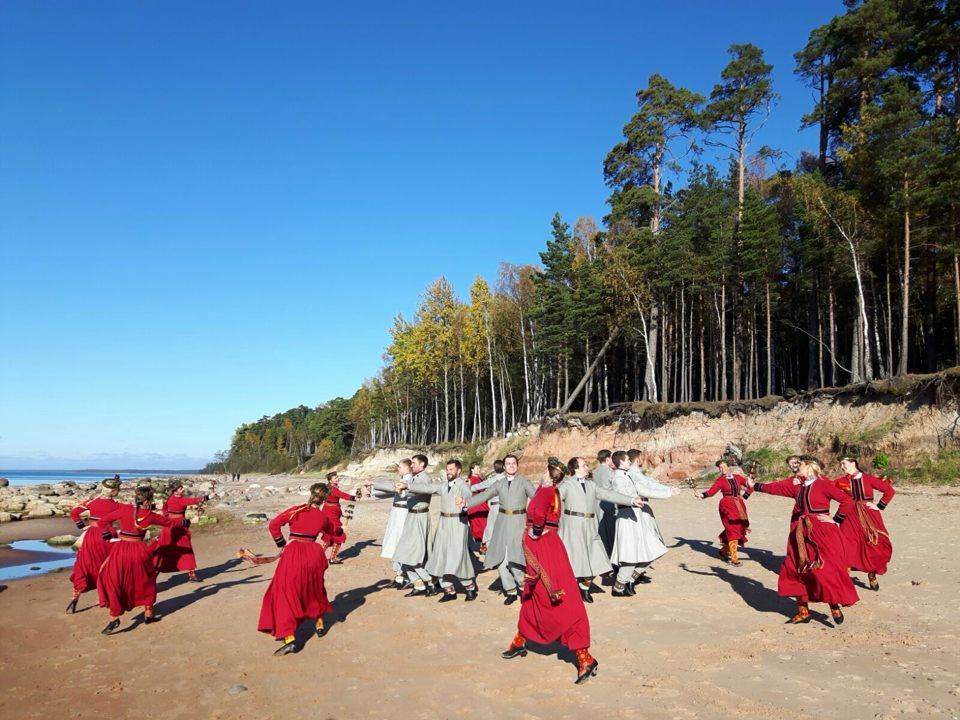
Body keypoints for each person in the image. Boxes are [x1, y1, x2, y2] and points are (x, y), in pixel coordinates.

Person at [502, 458, 598, 685]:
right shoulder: (546, 490)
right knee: (532, 595)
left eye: (545, 470)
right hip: (543, 548)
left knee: (557, 598)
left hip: (544, 550)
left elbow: (539, 518)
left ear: (550, 474)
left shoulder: (547, 491)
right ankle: (520, 640)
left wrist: (535, 532)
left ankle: (584, 656)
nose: (542, 472)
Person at [747, 456, 859, 625]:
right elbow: (774, 488)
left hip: (822, 533)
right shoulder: (797, 487)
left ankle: (834, 605)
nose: (797, 466)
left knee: (823, 569)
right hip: (800, 533)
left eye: (800, 464)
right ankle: (803, 611)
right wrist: (754, 486)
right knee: (794, 569)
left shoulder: (822, 484)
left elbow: (847, 500)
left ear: (810, 467)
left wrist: (836, 519)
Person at [95, 485, 188, 635]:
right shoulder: (150, 515)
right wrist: (183, 522)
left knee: (117, 581)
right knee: (145, 581)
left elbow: (101, 522)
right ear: (149, 499)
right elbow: (170, 523)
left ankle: (114, 618)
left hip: (121, 550)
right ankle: (148, 615)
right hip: (139, 551)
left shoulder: (124, 510)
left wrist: (109, 534)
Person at [258, 483, 337, 655]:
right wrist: (324, 544)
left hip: (294, 554)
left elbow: (273, 525)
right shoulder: (323, 517)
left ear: (310, 493)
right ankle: (319, 623)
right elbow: (331, 533)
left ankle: (289, 639)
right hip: (314, 555)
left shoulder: (297, 510)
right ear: (324, 498)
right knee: (313, 589)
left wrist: (282, 544)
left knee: (284, 593)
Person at [558, 457, 642, 602]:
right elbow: (553, 501)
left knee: (597, 559)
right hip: (572, 526)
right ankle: (572, 590)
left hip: (590, 525)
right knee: (573, 560)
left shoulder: (592, 485)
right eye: (584, 466)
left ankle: (584, 586)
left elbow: (609, 495)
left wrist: (631, 500)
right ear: (575, 469)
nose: (587, 468)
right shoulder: (566, 485)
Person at [401, 459, 478, 601]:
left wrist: (464, 502)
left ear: (459, 471)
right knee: (440, 556)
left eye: (451, 470)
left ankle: (470, 587)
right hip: (443, 523)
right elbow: (426, 488)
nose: (448, 472)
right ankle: (449, 591)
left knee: (458, 557)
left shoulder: (463, 485)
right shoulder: (443, 485)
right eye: (447, 470)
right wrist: (407, 485)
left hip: (458, 523)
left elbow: (469, 497)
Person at [466, 454, 536, 605]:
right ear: (503, 467)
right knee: (501, 560)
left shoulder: (524, 482)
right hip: (501, 522)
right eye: (508, 464)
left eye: (513, 463)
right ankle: (510, 590)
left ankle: (524, 588)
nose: (511, 466)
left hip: (519, 523)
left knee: (516, 560)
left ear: (517, 466)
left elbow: (536, 499)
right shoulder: (499, 483)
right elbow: (484, 495)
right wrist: (466, 502)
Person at [609, 451, 674, 596]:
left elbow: (644, 488)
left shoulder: (628, 475)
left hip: (636, 517)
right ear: (620, 462)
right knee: (630, 554)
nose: (629, 462)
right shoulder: (617, 479)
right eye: (627, 460)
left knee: (653, 549)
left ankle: (630, 580)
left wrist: (668, 492)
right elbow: (621, 495)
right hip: (627, 518)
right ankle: (619, 587)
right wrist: (633, 500)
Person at [832, 456, 895, 591]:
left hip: (870, 516)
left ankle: (872, 574)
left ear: (853, 463)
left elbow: (889, 491)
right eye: (841, 464)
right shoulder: (841, 481)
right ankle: (845, 581)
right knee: (846, 546)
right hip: (849, 517)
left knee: (874, 545)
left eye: (844, 464)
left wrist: (880, 506)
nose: (842, 467)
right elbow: (824, 487)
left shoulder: (868, 478)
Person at [382, 454, 436, 596]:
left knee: (411, 555)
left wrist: (405, 488)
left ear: (422, 465)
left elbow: (418, 490)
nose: (411, 465)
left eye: (414, 463)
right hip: (412, 516)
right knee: (403, 554)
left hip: (419, 517)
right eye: (410, 463)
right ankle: (420, 585)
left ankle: (430, 581)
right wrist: (374, 486)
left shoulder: (424, 478)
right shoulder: (415, 478)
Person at [66, 477, 123, 613]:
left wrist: (82, 526)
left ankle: (75, 599)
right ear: (113, 490)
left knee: (84, 566)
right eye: (118, 489)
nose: (119, 491)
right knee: (106, 567)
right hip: (107, 536)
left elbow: (74, 513)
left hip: (91, 536)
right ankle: (104, 597)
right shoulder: (116, 505)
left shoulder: (91, 502)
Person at [625, 449, 674, 581]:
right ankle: (633, 576)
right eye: (641, 457)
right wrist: (668, 492)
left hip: (643, 508)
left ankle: (635, 574)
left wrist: (668, 490)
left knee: (650, 543)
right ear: (637, 459)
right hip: (639, 509)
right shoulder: (633, 473)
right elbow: (647, 487)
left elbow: (650, 483)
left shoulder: (635, 473)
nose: (643, 460)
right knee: (651, 543)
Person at [695, 459, 752, 566]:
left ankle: (723, 551)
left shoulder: (737, 477)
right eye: (720, 467)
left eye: (724, 466)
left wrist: (746, 494)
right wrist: (702, 495)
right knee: (732, 529)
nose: (722, 469)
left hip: (739, 505)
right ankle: (734, 559)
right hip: (726, 506)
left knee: (739, 528)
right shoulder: (720, 480)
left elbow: (750, 485)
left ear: (728, 466)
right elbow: (711, 492)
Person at [368, 459, 413, 588]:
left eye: (400, 466)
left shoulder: (410, 480)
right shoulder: (404, 479)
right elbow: (392, 491)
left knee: (399, 543)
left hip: (403, 514)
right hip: (397, 513)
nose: (398, 469)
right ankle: (399, 576)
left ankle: (407, 576)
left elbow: (393, 487)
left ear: (407, 467)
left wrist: (373, 484)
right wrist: (372, 492)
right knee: (394, 543)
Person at [152, 480, 208, 582]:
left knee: (164, 551)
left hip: (170, 527)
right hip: (178, 527)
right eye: (180, 488)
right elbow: (191, 501)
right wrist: (205, 498)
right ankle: (191, 574)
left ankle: (153, 575)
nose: (183, 489)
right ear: (175, 491)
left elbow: (164, 510)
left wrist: (167, 518)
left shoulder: (169, 499)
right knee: (186, 549)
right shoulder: (179, 500)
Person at [320, 472, 360, 564]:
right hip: (332, 515)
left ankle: (319, 555)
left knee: (329, 536)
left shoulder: (327, 487)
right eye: (335, 478)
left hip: (328, 512)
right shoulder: (333, 489)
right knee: (338, 534)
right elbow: (343, 495)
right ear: (330, 480)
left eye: (337, 477)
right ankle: (332, 558)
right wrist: (354, 497)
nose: (337, 479)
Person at [591, 450, 617, 555]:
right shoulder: (609, 472)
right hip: (608, 502)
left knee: (602, 531)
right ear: (607, 459)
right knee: (611, 530)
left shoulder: (595, 471)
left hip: (597, 503)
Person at [465, 464, 489, 553]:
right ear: (472, 469)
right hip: (475, 506)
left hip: (483, 505)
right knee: (478, 527)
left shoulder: (480, 479)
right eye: (477, 468)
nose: (479, 469)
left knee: (485, 525)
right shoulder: (470, 480)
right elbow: (466, 493)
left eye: (479, 467)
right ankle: (480, 547)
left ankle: (482, 546)